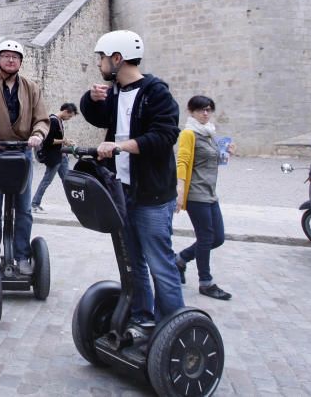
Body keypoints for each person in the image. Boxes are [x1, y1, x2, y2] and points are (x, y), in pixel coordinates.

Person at [79, 29, 183, 326]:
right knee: (133, 263)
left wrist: (120, 146)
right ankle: (142, 320)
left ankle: (172, 329)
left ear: (117, 58)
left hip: (151, 196)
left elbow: (165, 135)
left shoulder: (155, 92)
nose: (99, 64)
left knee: (160, 265)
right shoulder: (117, 93)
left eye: (101, 58)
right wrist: (91, 99)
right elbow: (99, 118)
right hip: (122, 192)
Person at [0, 39, 48, 275]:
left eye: (15, 57)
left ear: (21, 62)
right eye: (6, 56)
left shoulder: (31, 87)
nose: (11, 60)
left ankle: (23, 254)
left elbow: (42, 119)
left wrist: (37, 135)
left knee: (24, 209)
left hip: (22, 153)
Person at [175, 95, 234, 300]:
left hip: (210, 193)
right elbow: (182, 161)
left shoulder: (209, 133)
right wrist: (180, 191)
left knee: (217, 238)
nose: (205, 113)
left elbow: (212, 160)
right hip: (195, 194)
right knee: (206, 237)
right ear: (191, 112)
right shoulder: (189, 134)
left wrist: (225, 153)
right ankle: (205, 282)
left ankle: (180, 260)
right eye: (201, 110)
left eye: (209, 109)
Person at [31, 102, 78, 212]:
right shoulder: (53, 120)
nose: (69, 118)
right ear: (66, 111)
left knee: (67, 181)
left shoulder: (60, 121)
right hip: (54, 157)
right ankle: (34, 204)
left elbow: (57, 139)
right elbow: (48, 141)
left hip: (62, 156)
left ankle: (75, 206)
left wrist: (65, 142)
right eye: (70, 116)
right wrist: (64, 141)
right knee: (46, 181)